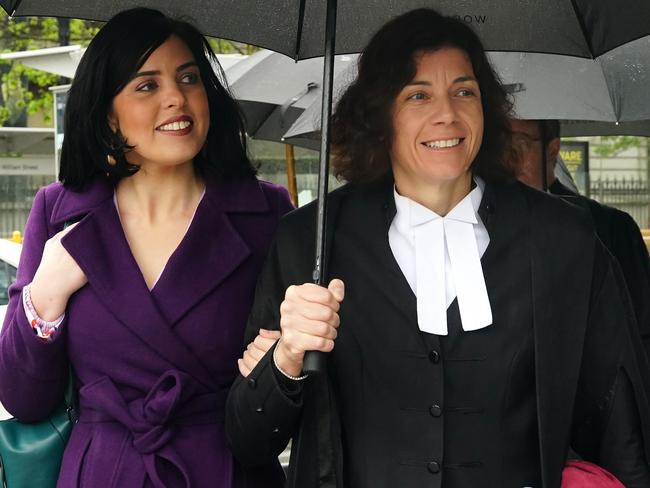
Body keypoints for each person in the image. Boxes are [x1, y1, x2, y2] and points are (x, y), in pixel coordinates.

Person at [225, 9, 650, 488]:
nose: (446, 113)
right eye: (418, 95)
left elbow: (620, 419)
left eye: (464, 91)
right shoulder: (310, 241)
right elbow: (248, 438)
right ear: (380, 116)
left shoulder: (562, 239)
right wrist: (285, 361)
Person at [0, 8, 292, 488]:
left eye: (189, 78)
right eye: (147, 85)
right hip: (104, 472)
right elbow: (23, 398)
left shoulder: (266, 213)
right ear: (106, 112)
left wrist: (283, 362)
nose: (177, 98)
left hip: (227, 469)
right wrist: (46, 295)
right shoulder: (61, 212)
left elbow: (287, 403)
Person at [510, 118, 650, 360]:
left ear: (552, 149)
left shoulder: (609, 228)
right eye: (496, 143)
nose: (506, 157)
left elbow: (640, 328)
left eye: (518, 144)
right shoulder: (478, 227)